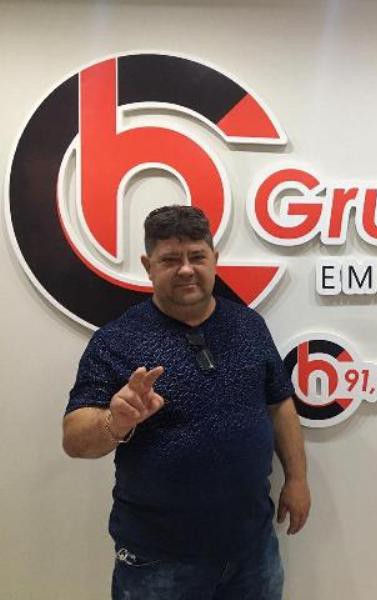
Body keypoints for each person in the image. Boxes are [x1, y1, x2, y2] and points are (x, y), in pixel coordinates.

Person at [62, 205, 310, 600]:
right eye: (170, 259)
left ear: (214, 259)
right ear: (148, 266)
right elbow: (74, 440)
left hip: (253, 549)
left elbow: (279, 404)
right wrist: (115, 422)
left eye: (197, 256)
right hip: (158, 560)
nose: (186, 269)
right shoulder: (115, 340)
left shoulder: (249, 326)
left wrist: (296, 479)